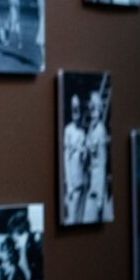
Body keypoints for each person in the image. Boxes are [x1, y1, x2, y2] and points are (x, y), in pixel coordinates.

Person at [82, 90, 110, 223]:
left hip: (98, 180)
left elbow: (103, 161)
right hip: (90, 176)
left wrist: (99, 194)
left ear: (99, 109)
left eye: (95, 106)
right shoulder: (91, 129)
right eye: (91, 106)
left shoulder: (101, 130)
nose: (92, 109)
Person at [62, 93, 87, 225]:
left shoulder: (83, 132)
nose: (76, 110)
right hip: (73, 184)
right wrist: (69, 185)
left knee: (81, 219)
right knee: (72, 220)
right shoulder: (68, 131)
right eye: (74, 107)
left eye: (78, 107)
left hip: (82, 182)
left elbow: (84, 161)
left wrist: (84, 152)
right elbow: (66, 159)